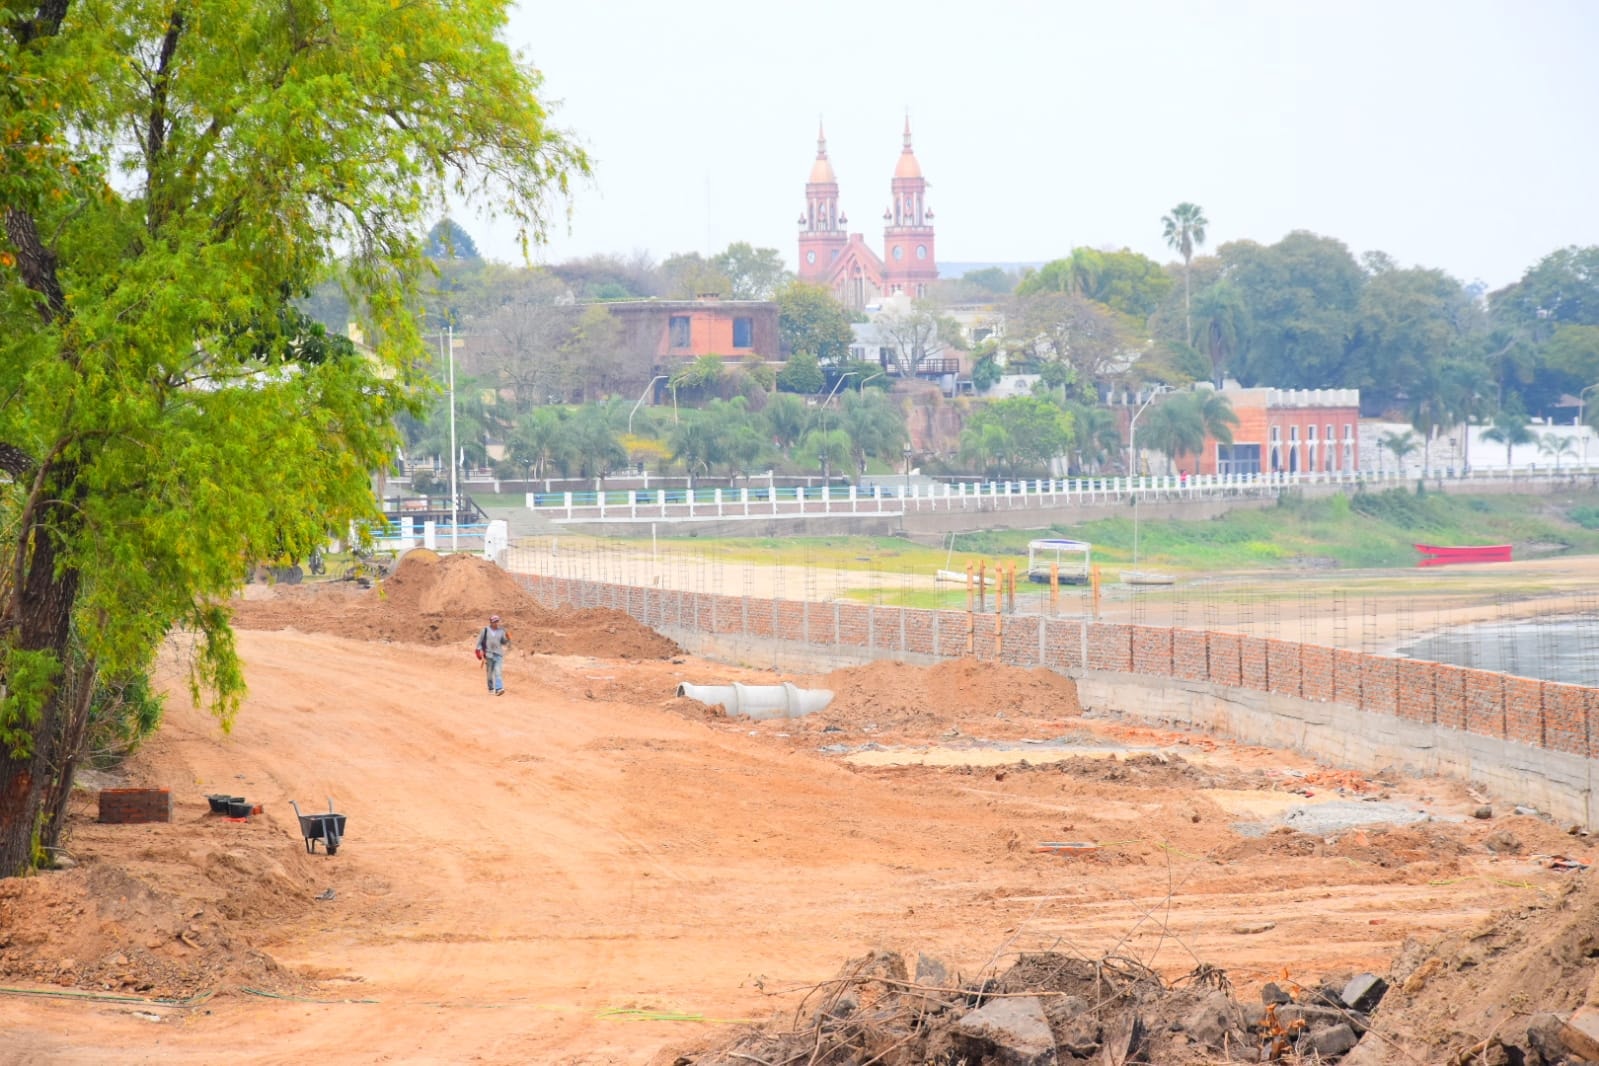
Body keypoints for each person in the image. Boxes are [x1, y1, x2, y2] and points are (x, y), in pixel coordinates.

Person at [475, 614, 511, 696]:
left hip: (498, 654)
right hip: (488, 655)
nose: (496, 623)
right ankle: (491, 688)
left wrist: (507, 638)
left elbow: (503, 642)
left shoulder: (501, 631)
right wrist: (478, 651)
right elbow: (479, 642)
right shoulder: (485, 630)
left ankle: (499, 689)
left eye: (497, 621)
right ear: (491, 622)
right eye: (494, 621)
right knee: (489, 673)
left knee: (498, 671)